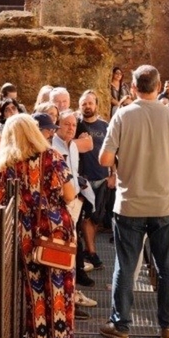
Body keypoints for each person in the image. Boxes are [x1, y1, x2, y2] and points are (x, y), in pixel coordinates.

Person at [98, 65, 169, 338]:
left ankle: (121, 325)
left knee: (126, 266)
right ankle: (168, 326)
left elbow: (104, 160)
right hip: (165, 203)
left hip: (129, 204)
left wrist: (123, 158)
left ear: (132, 87)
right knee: (166, 268)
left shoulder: (122, 115)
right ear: (158, 86)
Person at [0, 114, 77, 338]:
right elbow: (70, 194)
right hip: (55, 232)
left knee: (36, 296)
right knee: (60, 294)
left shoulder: (6, 165)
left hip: (26, 234)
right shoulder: (52, 157)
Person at [52, 110, 96, 288]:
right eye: (66, 124)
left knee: (75, 238)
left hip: (75, 199)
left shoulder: (73, 146)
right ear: (58, 126)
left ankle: (76, 275)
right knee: (64, 241)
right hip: (61, 201)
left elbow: (73, 172)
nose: (71, 128)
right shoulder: (53, 146)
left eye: (73, 125)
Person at [77, 90, 114, 266]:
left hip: (101, 178)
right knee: (86, 217)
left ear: (96, 105)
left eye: (90, 103)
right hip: (82, 179)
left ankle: (87, 249)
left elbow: (114, 150)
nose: (87, 106)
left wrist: (113, 174)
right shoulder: (75, 125)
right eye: (84, 103)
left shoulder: (105, 126)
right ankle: (92, 252)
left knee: (96, 217)